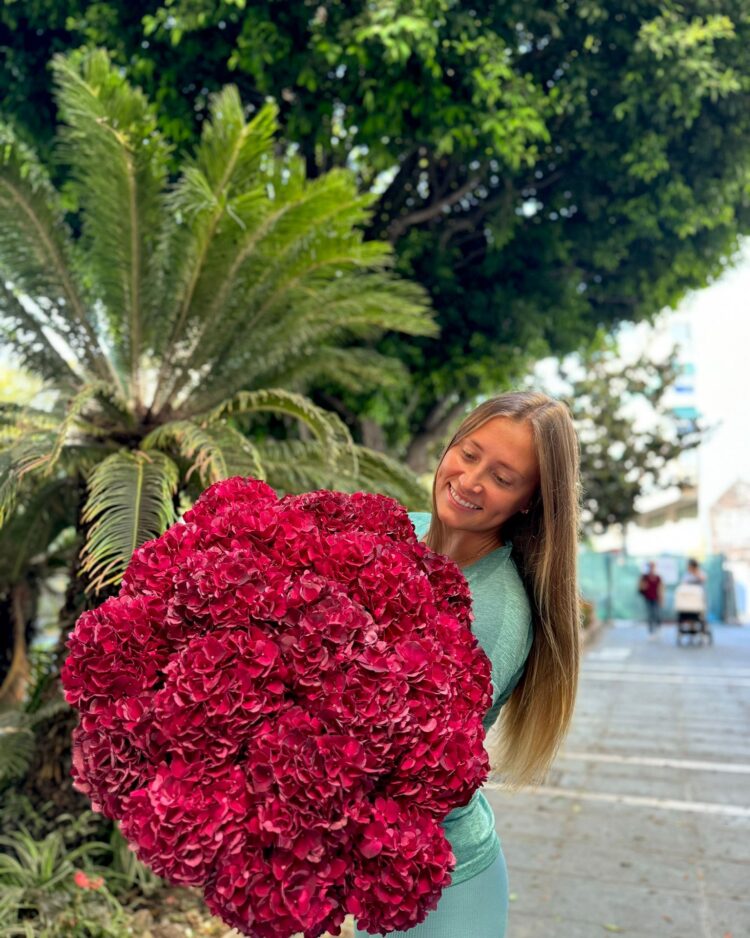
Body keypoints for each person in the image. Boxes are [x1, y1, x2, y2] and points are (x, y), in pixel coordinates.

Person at [353, 391, 581, 938]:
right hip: (374, 871)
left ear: (529, 501)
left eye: (502, 478)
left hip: (440, 890)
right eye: (468, 453)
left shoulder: (495, 614)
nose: (471, 481)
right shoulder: (396, 533)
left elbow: (397, 765)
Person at [638, 562, 663, 636]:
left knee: (657, 614)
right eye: (650, 567)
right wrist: (643, 585)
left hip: (656, 598)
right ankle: (651, 631)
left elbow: (660, 588)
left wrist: (661, 598)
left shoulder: (658, 577)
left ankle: (658, 628)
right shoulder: (645, 577)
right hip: (648, 598)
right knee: (650, 615)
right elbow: (641, 587)